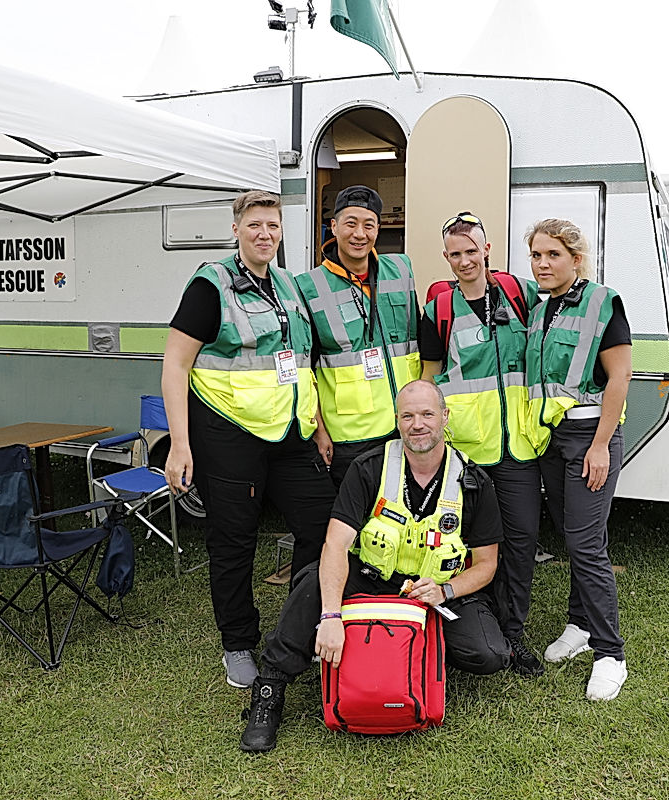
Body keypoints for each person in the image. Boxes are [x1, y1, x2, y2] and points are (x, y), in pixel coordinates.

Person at [239, 380, 510, 752]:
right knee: (312, 587)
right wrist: (331, 617)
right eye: (408, 415)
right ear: (397, 421)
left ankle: (406, 656)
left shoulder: (474, 482)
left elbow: (486, 565)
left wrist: (445, 590)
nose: (418, 424)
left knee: (489, 654)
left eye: (428, 414)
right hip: (372, 580)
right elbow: (335, 544)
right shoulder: (370, 467)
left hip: (434, 594)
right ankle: (269, 693)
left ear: (445, 418)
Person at [161, 190, 335, 690]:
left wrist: (318, 424)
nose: (265, 234)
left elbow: (304, 363)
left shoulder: (287, 284)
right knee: (233, 541)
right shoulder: (211, 285)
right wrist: (180, 443)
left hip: (292, 434)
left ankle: (297, 626)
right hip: (229, 433)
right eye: (256, 225)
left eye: (274, 226)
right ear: (236, 229)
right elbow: (175, 364)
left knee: (323, 527)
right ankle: (238, 643)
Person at [418, 211, 546, 677]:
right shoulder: (439, 309)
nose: (465, 260)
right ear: (446, 258)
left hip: (518, 448)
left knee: (520, 540)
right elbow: (429, 376)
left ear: (487, 249)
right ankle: (469, 622)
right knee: (465, 542)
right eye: (455, 254)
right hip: (466, 451)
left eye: (472, 251)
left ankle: (510, 636)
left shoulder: (520, 295)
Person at [524, 218, 633, 702]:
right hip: (552, 439)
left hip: (591, 436)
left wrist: (599, 446)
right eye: (536, 255)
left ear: (576, 259)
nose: (542, 264)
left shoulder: (602, 302)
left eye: (553, 255)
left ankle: (611, 654)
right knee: (573, 535)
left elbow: (619, 378)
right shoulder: (540, 308)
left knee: (586, 545)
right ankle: (580, 625)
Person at [295, 185, 421, 487]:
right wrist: (319, 429)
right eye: (350, 223)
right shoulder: (308, 286)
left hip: (405, 424)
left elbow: (421, 344)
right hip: (350, 435)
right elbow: (304, 371)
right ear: (334, 227)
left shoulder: (401, 269)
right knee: (354, 518)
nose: (359, 234)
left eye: (369, 225)